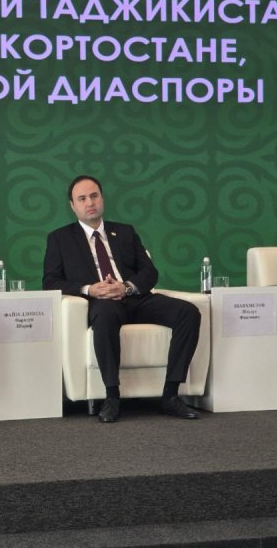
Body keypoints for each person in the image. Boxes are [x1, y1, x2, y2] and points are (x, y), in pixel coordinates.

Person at [42, 175, 201, 423]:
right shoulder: (60, 238)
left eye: (94, 196)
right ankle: (112, 397)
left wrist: (126, 287)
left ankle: (170, 395)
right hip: (101, 302)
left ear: (102, 199)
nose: (89, 203)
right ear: (72, 206)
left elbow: (149, 272)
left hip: (133, 297)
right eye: (82, 199)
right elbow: (50, 281)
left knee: (188, 312)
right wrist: (89, 289)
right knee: (105, 315)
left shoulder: (125, 232)